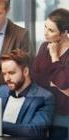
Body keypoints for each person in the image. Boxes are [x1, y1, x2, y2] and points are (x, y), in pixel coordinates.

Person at [0, 49, 54, 137]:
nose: (6, 78)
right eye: (4, 74)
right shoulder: (1, 91)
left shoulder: (45, 97)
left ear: (25, 71)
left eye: (11, 73)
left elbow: (34, 131)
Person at [32, 8, 69, 138]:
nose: (45, 33)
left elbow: (63, 83)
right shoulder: (44, 47)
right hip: (44, 110)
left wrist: (54, 56)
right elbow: (36, 77)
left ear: (64, 32)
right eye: (45, 27)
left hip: (64, 115)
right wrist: (54, 83)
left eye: (51, 30)